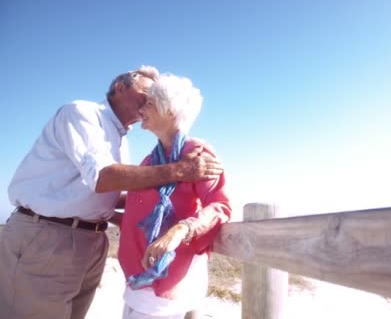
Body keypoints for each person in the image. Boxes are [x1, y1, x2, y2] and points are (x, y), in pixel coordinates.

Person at [0, 66, 224, 319]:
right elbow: (102, 178)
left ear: (169, 108)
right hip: (48, 236)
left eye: (155, 97)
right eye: (146, 93)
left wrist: (176, 224)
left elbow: (101, 193)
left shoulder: (127, 140)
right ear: (120, 87)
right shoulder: (82, 113)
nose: (148, 102)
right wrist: (180, 170)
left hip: (91, 240)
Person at [116, 73, 231, 319]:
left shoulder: (197, 152)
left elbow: (219, 206)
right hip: (137, 275)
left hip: (166, 277)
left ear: (169, 111)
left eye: (149, 103)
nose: (141, 108)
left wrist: (179, 231)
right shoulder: (151, 160)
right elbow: (140, 205)